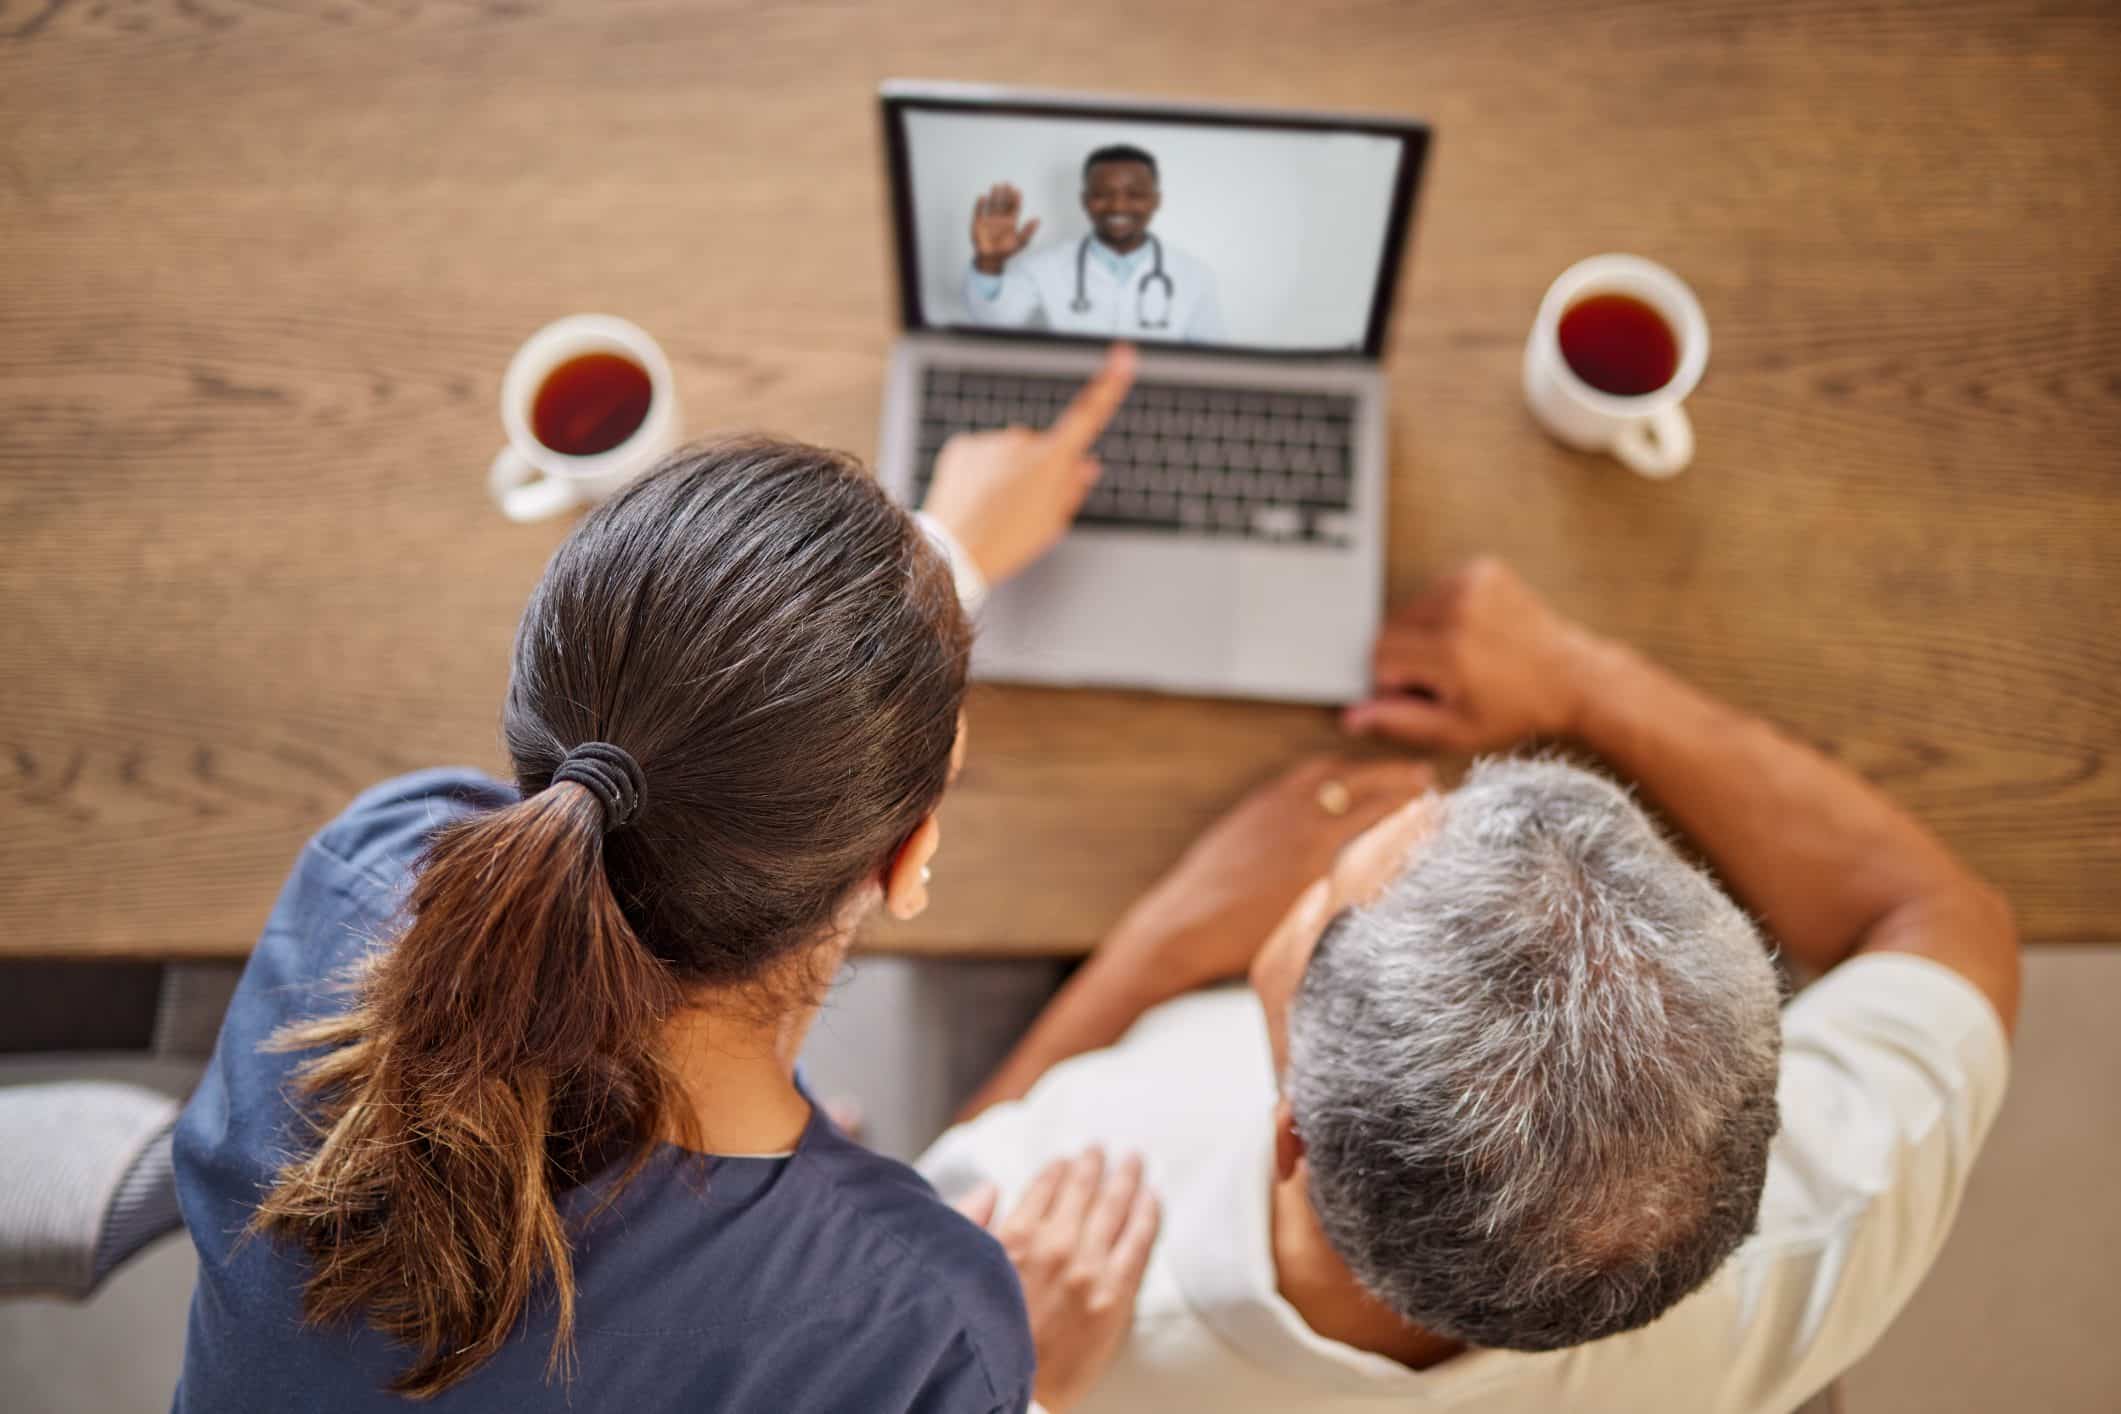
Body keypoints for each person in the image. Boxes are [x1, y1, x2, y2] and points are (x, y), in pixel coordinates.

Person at [170, 350, 1165, 1412]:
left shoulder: (374, 868)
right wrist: (1037, 1385)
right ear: (908, 862)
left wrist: (941, 561)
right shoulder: (920, 1326)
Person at [919, 558, 2020, 1413]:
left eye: (1330, 899)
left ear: (1293, 1128)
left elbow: (892, 1221)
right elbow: (1944, 917)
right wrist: (1579, 677)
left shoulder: (1017, 1290)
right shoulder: (1817, 1229)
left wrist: (1161, 941)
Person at [961, 145, 1226, 342]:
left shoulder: (1196, 276)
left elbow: (1212, 363)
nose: (1118, 206)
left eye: (1134, 195)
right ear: (1084, 201)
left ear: (1156, 200)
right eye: (1102, 195)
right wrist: (990, 262)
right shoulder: (1042, 266)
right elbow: (993, 323)